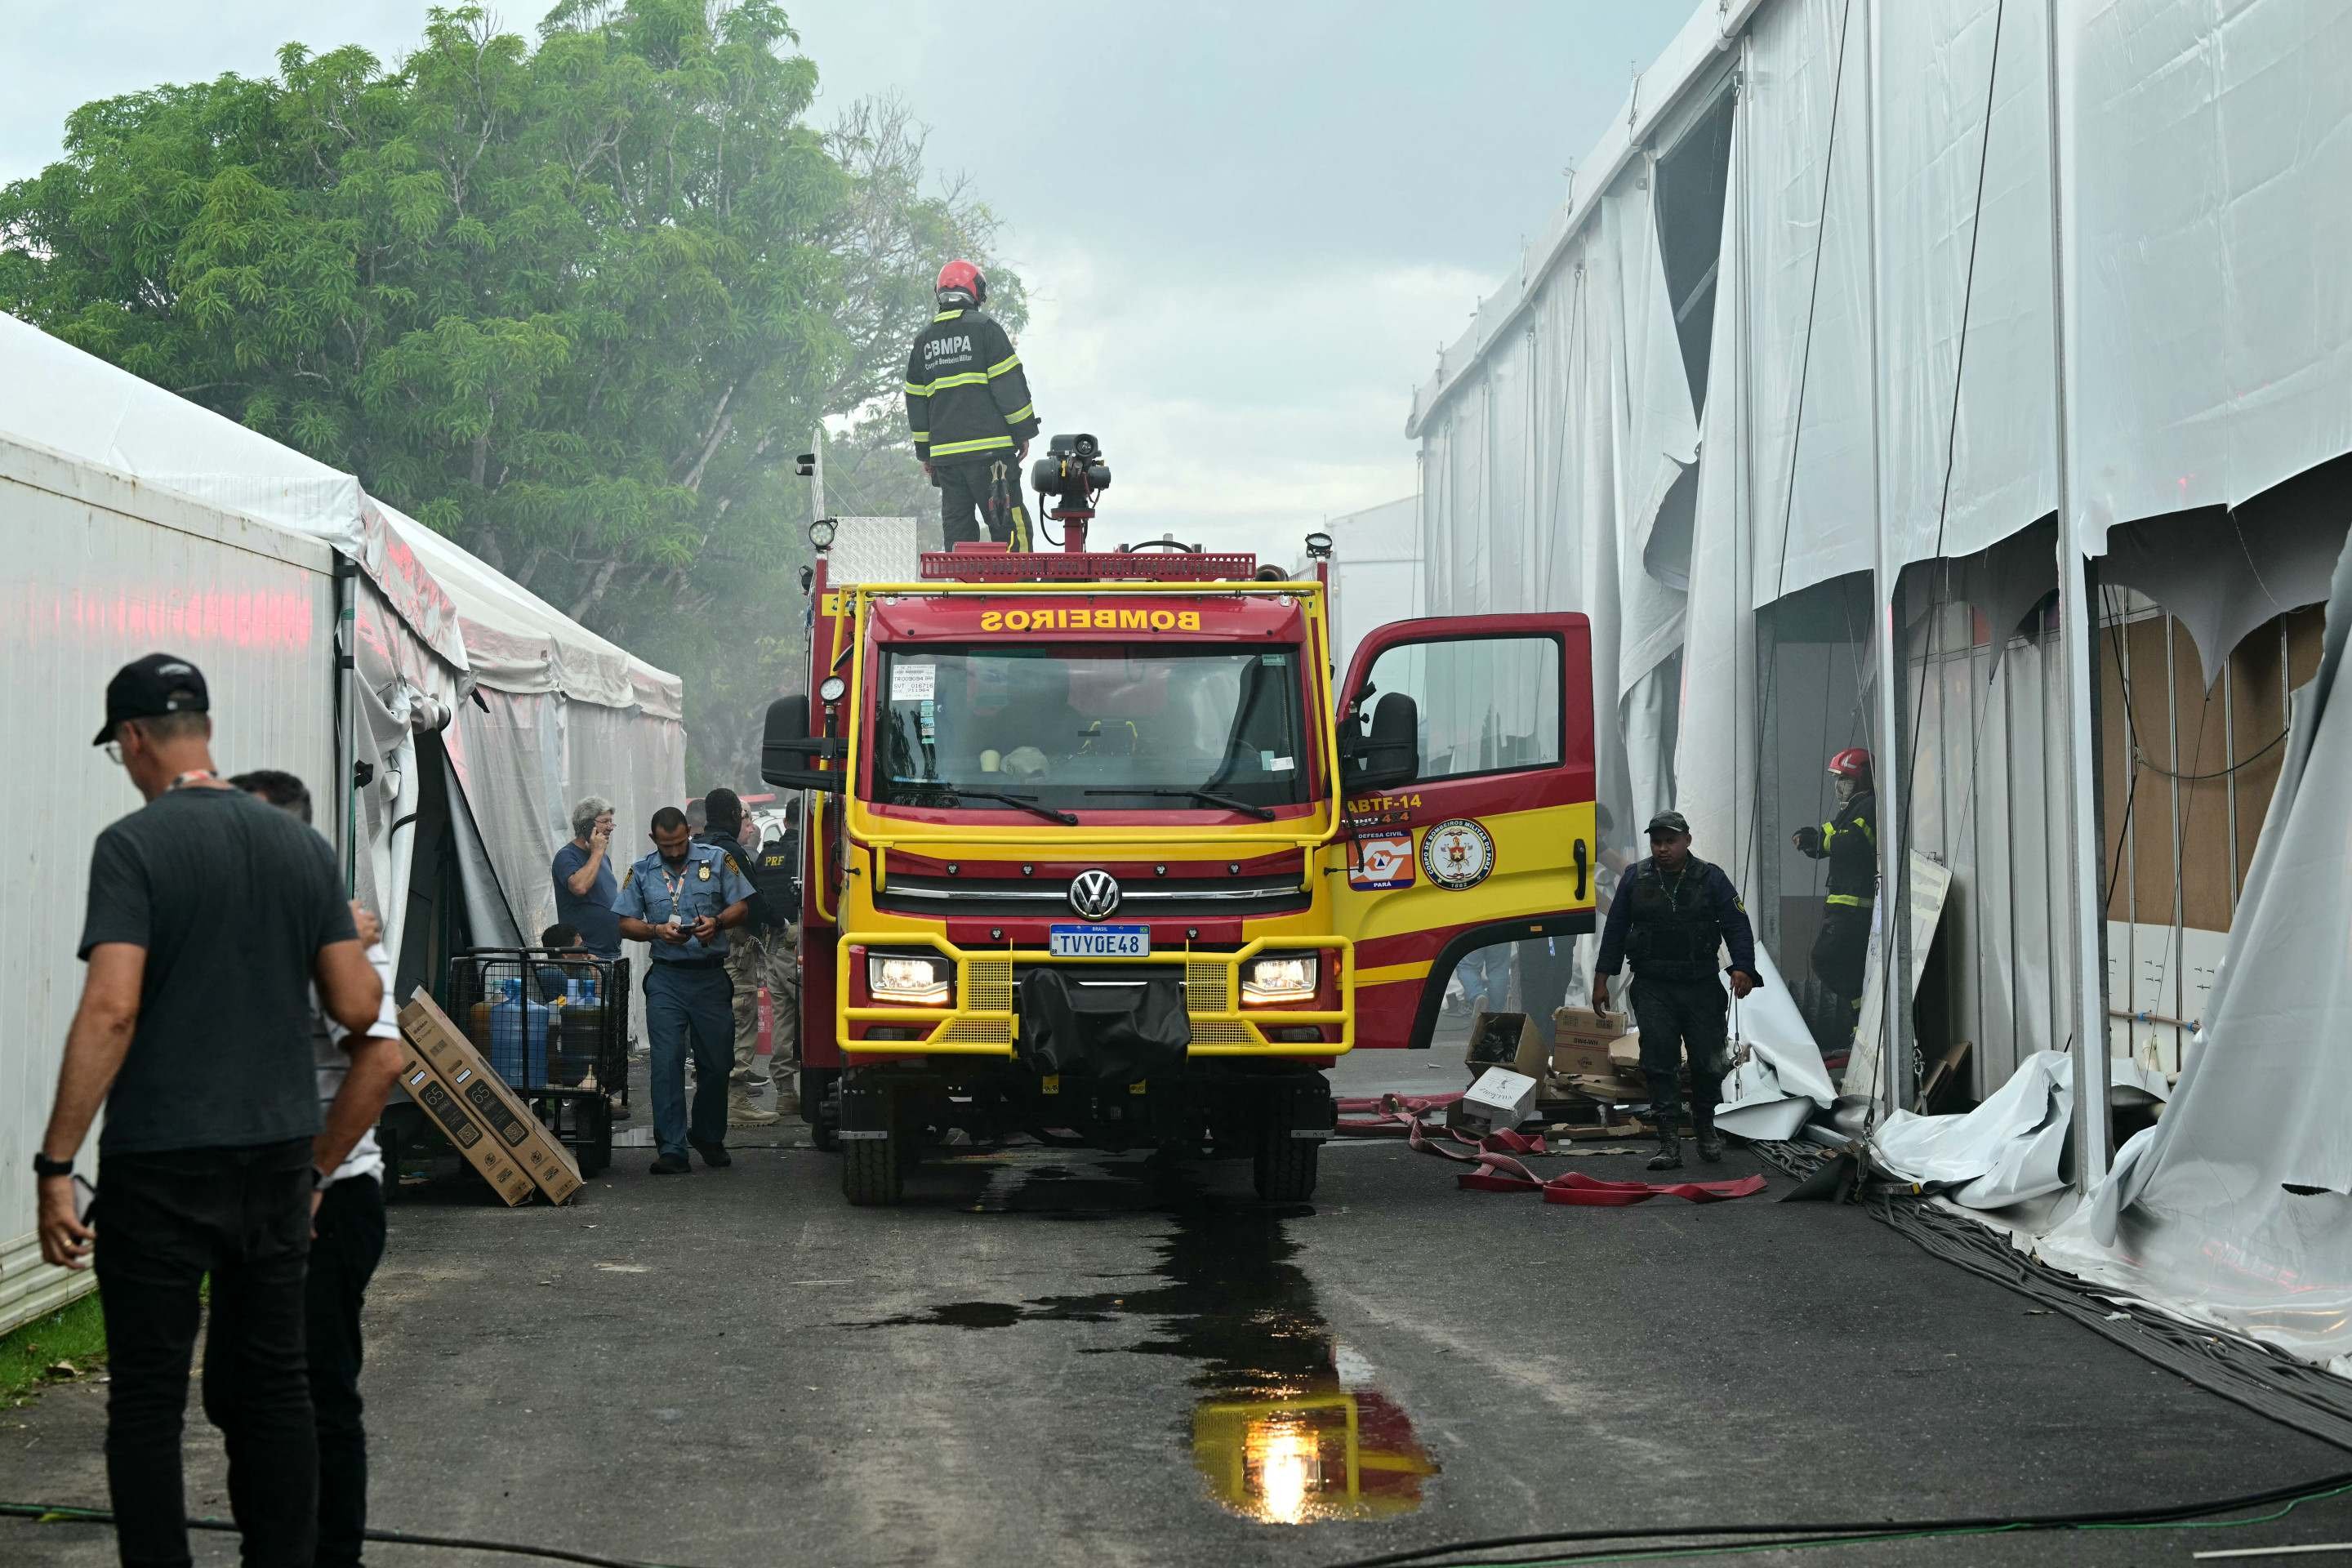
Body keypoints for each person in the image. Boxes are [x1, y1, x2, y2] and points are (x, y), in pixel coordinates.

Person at [36, 653, 382, 1568]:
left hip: (162, 1158)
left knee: (147, 1399)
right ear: (207, 731)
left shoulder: (134, 846)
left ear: (137, 739)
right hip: (274, 1158)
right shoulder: (302, 848)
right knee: (276, 1387)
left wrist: (54, 1165)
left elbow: (112, 1008)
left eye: (123, 750)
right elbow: (356, 1009)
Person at [232, 768, 403, 1568]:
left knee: (312, 1388)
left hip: (326, 1201)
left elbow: (379, 1062)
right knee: (238, 1394)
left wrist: (312, 1175)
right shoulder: (246, 932)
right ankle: (270, 1547)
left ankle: (331, 1556)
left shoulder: (333, 942)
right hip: (248, 1202)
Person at [1592, 810, 1762, 1171]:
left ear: (1687, 840)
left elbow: (1736, 923)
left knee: (1708, 1061)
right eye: (1657, 842)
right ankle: (1668, 1142)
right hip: (1654, 985)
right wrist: (1601, 978)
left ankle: (1705, 1126)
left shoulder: (1711, 877)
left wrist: (1744, 966)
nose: (1663, 848)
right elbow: (1616, 930)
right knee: (1658, 1061)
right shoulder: (1635, 878)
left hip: (1701, 984)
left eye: (1670, 841)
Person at [612, 806, 755, 1174]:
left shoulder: (718, 860)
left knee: (718, 1063)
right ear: (653, 839)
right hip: (667, 981)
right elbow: (625, 922)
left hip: (710, 978)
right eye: (666, 845)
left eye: (679, 844)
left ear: (689, 833)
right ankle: (672, 1147)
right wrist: (656, 931)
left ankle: (708, 1135)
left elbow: (743, 904)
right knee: (666, 1062)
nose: (674, 852)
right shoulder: (641, 870)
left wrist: (718, 922)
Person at [905, 258, 1040, 548]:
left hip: (948, 460)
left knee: (957, 532)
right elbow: (1009, 387)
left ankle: (962, 589)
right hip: (992, 457)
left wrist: (926, 453)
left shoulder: (923, 341)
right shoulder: (986, 330)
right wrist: (1023, 433)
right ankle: (1020, 588)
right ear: (976, 292)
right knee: (1009, 528)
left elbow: (916, 403)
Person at [695, 789, 779, 1128]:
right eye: (743, 816)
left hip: (702, 947)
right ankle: (736, 1098)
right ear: (732, 814)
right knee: (741, 1016)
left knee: (710, 1021)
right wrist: (779, 924)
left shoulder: (697, 848)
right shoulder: (730, 852)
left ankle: (712, 1094)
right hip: (733, 945)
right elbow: (752, 900)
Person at [1793, 747, 1878, 1040]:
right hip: (1841, 905)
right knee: (1849, 965)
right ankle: (1861, 1020)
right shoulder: (1851, 808)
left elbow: (1850, 842)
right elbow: (1826, 838)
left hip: (1855, 906)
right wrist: (1808, 838)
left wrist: (1823, 840)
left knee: (1825, 958)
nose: (1840, 785)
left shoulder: (1869, 806)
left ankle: (1861, 1013)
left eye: (1846, 779)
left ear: (1862, 778)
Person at [551, 797, 621, 963]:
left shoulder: (603, 858)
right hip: (586, 956)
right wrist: (597, 852)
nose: (610, 827)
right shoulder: (566, 856)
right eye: (605, 822)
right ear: (586, 825)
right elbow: (580, 887)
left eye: (611, 822)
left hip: (611, 953)